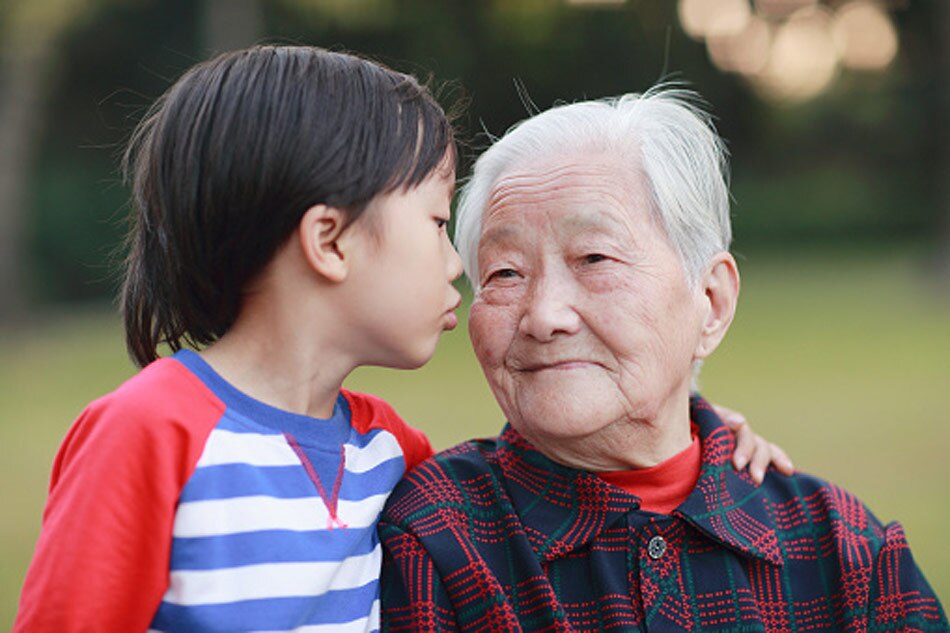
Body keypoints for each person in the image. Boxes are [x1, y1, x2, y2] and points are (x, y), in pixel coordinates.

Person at [13, 49, 785, 633]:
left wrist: (704, 434)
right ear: (330, 241)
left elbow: (548, 463)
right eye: (439, 224)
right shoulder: (150, 432)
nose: (460, 265)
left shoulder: (385, 450)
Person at [378, 87, 948, 631]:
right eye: (505, 272)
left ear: (711, 302)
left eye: (595, 257)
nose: (544, 315)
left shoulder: (845, 553)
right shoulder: (435, 536)